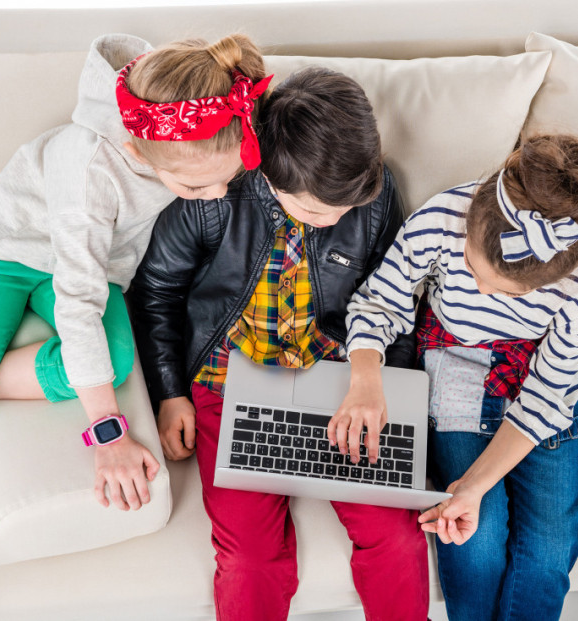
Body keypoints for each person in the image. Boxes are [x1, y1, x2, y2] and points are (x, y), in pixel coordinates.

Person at [0, 33, 269, 621]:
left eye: (224, 180)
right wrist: (108, 436)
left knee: (116, 360)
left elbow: (94, 284)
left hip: (93, 265)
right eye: (196, 188)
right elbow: (78, 304)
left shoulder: (188, 111)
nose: (218, 195)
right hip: (7, 257)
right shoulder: (88, 174)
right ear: (139, 150)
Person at [129, 67, 429, 621]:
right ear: (268, 175)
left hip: (336, 383)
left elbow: (396, 300)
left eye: (349, 206)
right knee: (251, 558)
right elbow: (155, 294)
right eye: (317, 210)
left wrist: (387, 391)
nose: (336, 218)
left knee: (396, 537)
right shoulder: (212, 192)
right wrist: (170, 393)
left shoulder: (376, 190)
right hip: (227, 384)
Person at [334, 134, 578, 620]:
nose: (481, 291)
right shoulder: (441, 218)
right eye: (471, 268)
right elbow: (380, 303)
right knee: (476, 541)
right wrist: (364, 379)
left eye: (508, 293)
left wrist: (475, 484)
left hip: (541, 379)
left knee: (552, 549)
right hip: (455, 362)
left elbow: (547, 398)